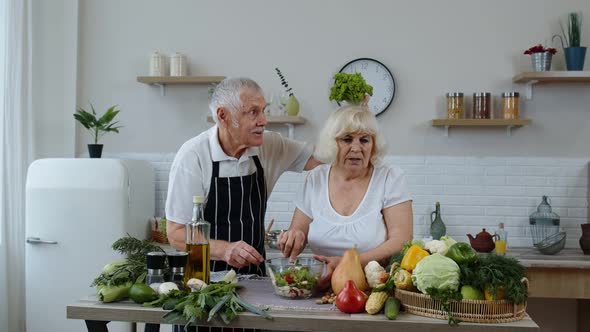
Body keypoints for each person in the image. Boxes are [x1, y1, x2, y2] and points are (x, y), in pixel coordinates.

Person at [165, 77, 320, 277]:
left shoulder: (269, 145)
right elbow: (176, 233)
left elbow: (323, 161)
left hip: (256, 278)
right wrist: (224, 250)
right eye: (253, 112)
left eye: (263, 110)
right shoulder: (193, 156)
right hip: (205, 282)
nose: (263, 120)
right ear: (223, 116)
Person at [278, 105, 413, 289]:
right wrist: (292, 238)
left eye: (364, 140)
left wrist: (347, 262)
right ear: (333, 144)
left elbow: (401, 241)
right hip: (321, 288)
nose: (356, 148)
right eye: (347, 139)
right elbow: (298, 236)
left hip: (373, 288)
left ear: (373, 145)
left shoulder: (390, 177)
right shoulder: (315, 178)